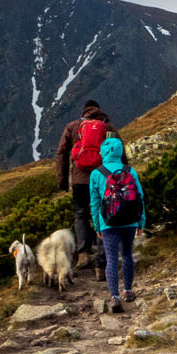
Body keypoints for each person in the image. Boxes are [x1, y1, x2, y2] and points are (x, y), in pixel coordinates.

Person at [87, 135, 146, 312]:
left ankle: (114, 296)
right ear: (121, 151)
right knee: (127, 254)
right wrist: (140, 221)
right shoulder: (130, 170)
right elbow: (140, 198)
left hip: (108, 223)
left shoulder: (97, 173)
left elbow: (95, 202)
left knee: (111, 258)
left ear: (102, 153)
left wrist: (97, 225)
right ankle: (128, 290)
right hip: (129, 221)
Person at [55, 100, 113, 274]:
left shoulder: (72, 127)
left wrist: (63, 180)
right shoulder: (107, 128)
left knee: (81, 214)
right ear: (98, 111)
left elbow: (61, 152)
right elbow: (119, 153)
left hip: (79, 181)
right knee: (104, 215)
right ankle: (101, 265)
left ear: (84, 112)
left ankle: (83, 254)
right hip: (103, 179)